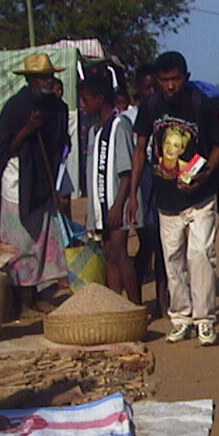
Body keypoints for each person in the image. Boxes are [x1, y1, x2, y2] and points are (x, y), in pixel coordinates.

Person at [130, 51, 219, 346]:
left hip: (201, 198)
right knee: (172, 259)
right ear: (157, 82)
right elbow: (140, 148)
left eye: (175, 79)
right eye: (164, 80)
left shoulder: (202, 105)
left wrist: (204, 176)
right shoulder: (150, 107)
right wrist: (133, 193)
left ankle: (205, 320)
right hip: (166, 200)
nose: (170, 85)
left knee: (200, 256)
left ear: (185, 77)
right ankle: (181, 318)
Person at [0, 52, 71, 313]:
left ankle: (40, 294)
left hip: (44, 184)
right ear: (30, 80)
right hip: (18, 184)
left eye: (49, 76)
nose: (47, 81)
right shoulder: (16, 107)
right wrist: (27, 129)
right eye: (41, 78)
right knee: (19, 243)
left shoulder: (58, 108)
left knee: (43, 240)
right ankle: (19, 300)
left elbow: (60, 148)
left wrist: (55, 184)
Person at [80, 75, 136, 298]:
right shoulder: (95, 131)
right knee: (109, 255)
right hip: (101, 206)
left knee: (121, 254)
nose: (83, 106)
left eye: (86, 100)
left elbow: (126, 172)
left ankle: (134, 306)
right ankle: (116, 306)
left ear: (100, 99)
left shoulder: (119, 126)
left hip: (115, 203)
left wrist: (118, 205)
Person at [118, 65, 168, 312]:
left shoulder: (164, 114)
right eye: (146, 88)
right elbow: (132, 157)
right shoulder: (128, 119)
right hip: (141, 181)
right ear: (138, 90)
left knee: (162, 242)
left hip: (161, 178)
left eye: (154, 87)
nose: (151, 92)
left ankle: (163, 299)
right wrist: (131, 194)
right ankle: (135, 297)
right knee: (146, 241)